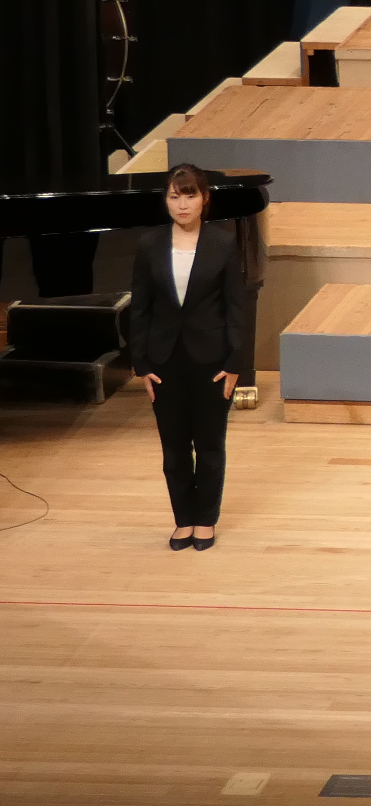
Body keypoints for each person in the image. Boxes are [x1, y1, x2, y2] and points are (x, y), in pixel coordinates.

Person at [126, 165, 251, 550]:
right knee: (174, 448)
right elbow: (140, 308)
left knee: (210, 445)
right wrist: (141, 364)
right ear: (166, 200)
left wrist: (235, 364)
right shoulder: (149, 244)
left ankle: (206, 519)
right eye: (174, 196)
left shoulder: (223, 244)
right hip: (164, 361)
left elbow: (237, 307)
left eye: (190, 195)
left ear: (204, 199)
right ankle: (183, 519)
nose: (182, 204)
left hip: (212, 360)